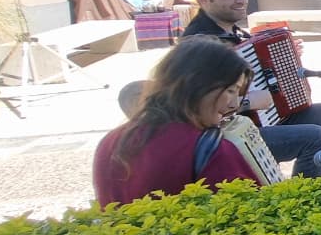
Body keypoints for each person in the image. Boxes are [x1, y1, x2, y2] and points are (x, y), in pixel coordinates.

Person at [183, 0, 321, 177]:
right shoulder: (197, 44)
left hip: (253, 123)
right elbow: (195, 108)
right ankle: (304, 202)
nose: (241, 0)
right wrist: (248, 101)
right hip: (225, 135)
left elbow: (258, 76)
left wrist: (282, 57)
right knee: (315, 137)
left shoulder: (233, 34)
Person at [93, 37, 265, 207]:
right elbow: (253, 213)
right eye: (230, 90)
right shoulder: (210, 149)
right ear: (198, 86)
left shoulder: (111, 141)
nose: (234, 104)